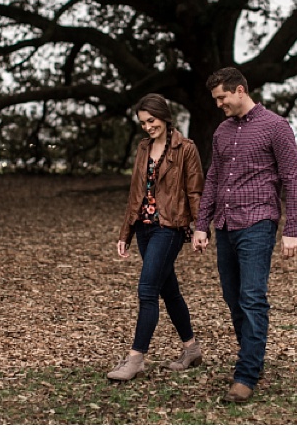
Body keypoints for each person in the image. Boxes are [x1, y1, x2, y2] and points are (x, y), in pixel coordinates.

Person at [193, 67, 297, 403]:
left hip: (258, 224)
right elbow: (213, 179)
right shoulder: (222, 131)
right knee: (232, 297)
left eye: (222, 97)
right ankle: (252, 359)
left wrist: (292, 229)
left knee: (252, 298)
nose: (218, 104)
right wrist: (202, 224)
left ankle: (246, 374)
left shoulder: (276, 126)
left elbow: (293, 179)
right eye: (215, 99)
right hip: (225, 225)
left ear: (240, 90)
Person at [108, 93, 206, 381]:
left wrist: (201, 227)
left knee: (147, 289)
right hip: (144, 227)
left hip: (170, 226)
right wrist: (126, 231)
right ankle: (191, 349)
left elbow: (194, 191)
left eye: (151, 121)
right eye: (143, 123)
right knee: (168, 290)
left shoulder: (186, 148)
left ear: (164, 116)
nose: (147, 127)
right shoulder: (142, 148)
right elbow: (135, 192)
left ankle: (136, 359)